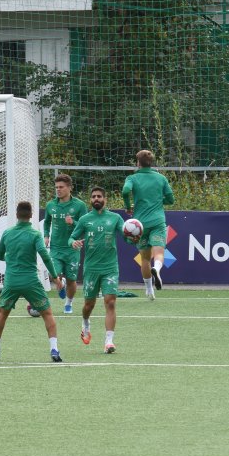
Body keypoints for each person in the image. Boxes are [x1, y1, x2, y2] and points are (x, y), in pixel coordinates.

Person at [0, 201, 62, 362]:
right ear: (31, 215)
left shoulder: (7, 233)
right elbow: (45, 255)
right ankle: (54, 350)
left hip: (12, 281)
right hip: (31, 281)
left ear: (16, 215)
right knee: (47, 314)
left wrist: (11, 258)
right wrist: (55, 276)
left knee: (2, 313)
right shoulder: (35, 234)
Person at [70, 186, 132, 354]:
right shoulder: (84, 219)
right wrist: (73, 242)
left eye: (99, 196)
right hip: (91, 269)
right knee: (88, 305)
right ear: (90, 200)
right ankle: (85, 323)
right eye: (93, 197)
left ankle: (109, 342)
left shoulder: (115, 218)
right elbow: (72, 237)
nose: (96, 199)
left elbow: (127, 237)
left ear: (105, 199)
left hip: (110, 268)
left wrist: (134, 237)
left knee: (110, 302)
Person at [122, 149, 174, 300]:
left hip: (140, 224)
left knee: (145, 258)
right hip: (157, 221)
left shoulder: (132, 178)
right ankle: (157, 269)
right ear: (151, 162)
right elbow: (171, 200)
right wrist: (158, 200)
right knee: (159, 253)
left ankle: (149, 290)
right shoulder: (161, 178)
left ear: (138, 163)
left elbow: (125, 191)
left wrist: (128, 206)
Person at [43, 173, 88, 314]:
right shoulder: (50, 205)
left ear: (70, 188)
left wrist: (73, 222)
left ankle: (68, 303)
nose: (58, 189)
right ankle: (59, 283)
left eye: (61, 187)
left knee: (71, 280)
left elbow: (86, 226)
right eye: (56, 187)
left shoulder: (80, 205)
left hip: (72, 249)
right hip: (55, 248)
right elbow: (47, 222)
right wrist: (46, 235)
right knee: (53, 274)